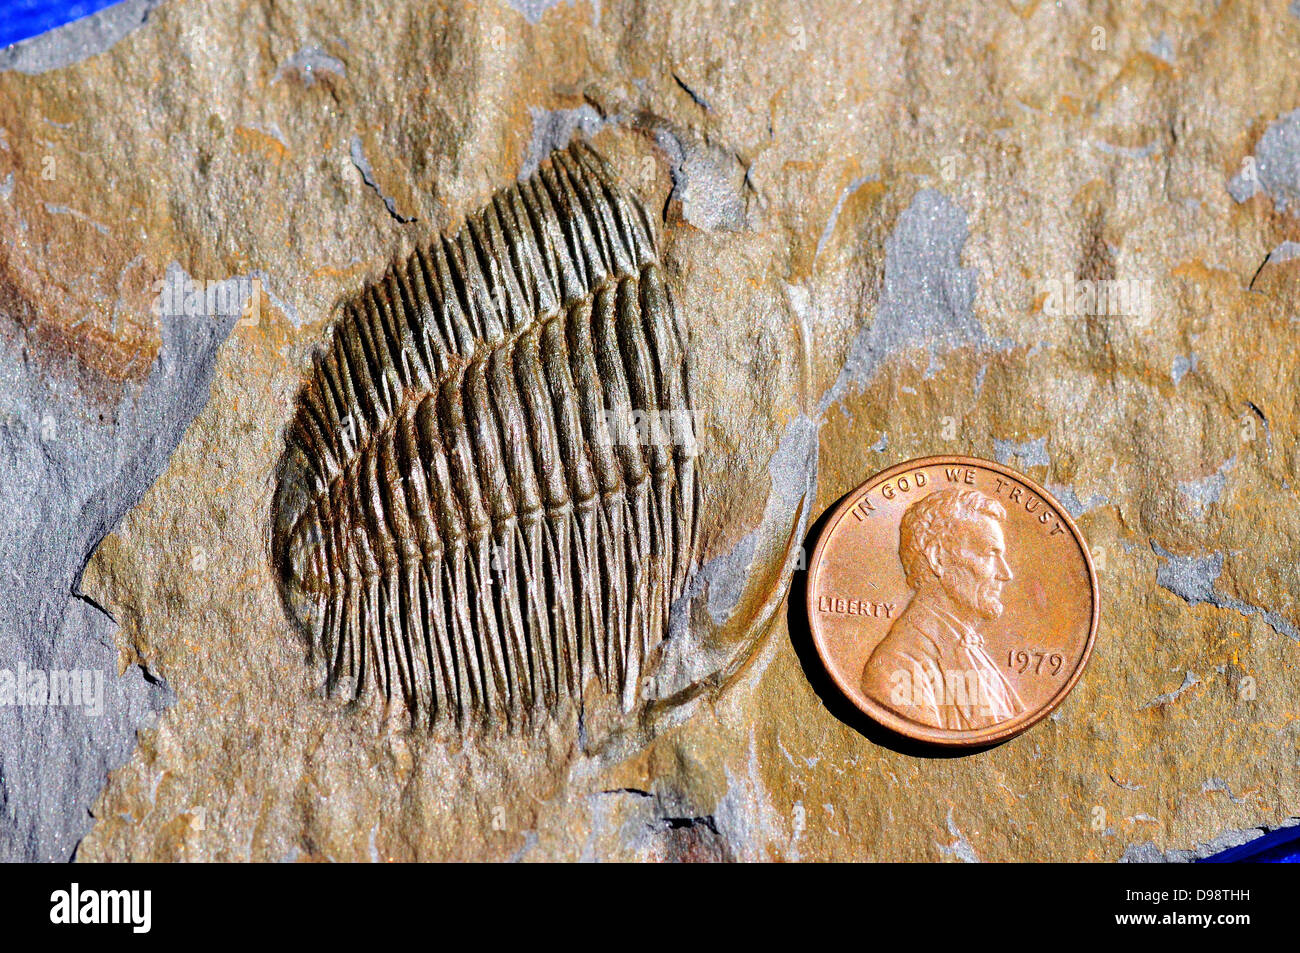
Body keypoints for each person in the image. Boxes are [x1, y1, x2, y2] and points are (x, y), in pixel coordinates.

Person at [861, 488, 1025, 730]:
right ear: (938, 558)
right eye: (990, 554)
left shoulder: (972, 651)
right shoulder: (897, 667)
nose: (1006, 574)